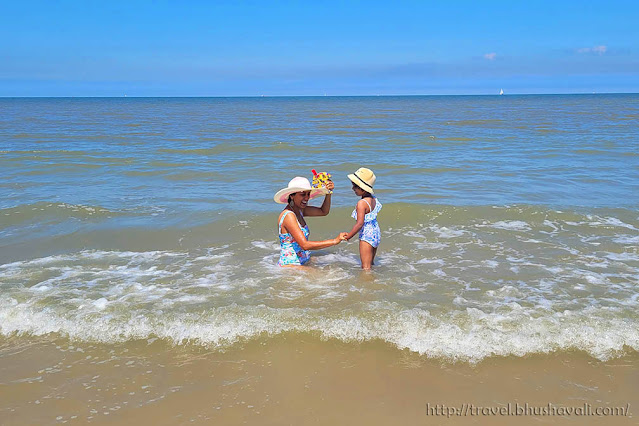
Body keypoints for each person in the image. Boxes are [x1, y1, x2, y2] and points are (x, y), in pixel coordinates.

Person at [274, 176, 347, 267]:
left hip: (302, 262)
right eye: (302, 194)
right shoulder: (289, 215)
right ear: (292, 195)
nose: (306, 198)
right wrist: (335, 241)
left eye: (308, 194)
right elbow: (304, 245)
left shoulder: (300, 210)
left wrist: (328, 193)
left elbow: (323, 211)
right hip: (291, 265)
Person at [344, 168, 382, 269]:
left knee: (365, 268)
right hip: (375, 233)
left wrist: (349, 236)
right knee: (371, 264)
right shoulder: (373, 199)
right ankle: (375, 282)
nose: (353, 188)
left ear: (363, 188)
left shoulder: (361, 203)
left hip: (367, 235)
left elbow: (360, 224)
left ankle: (367, 283)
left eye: (355, 186)